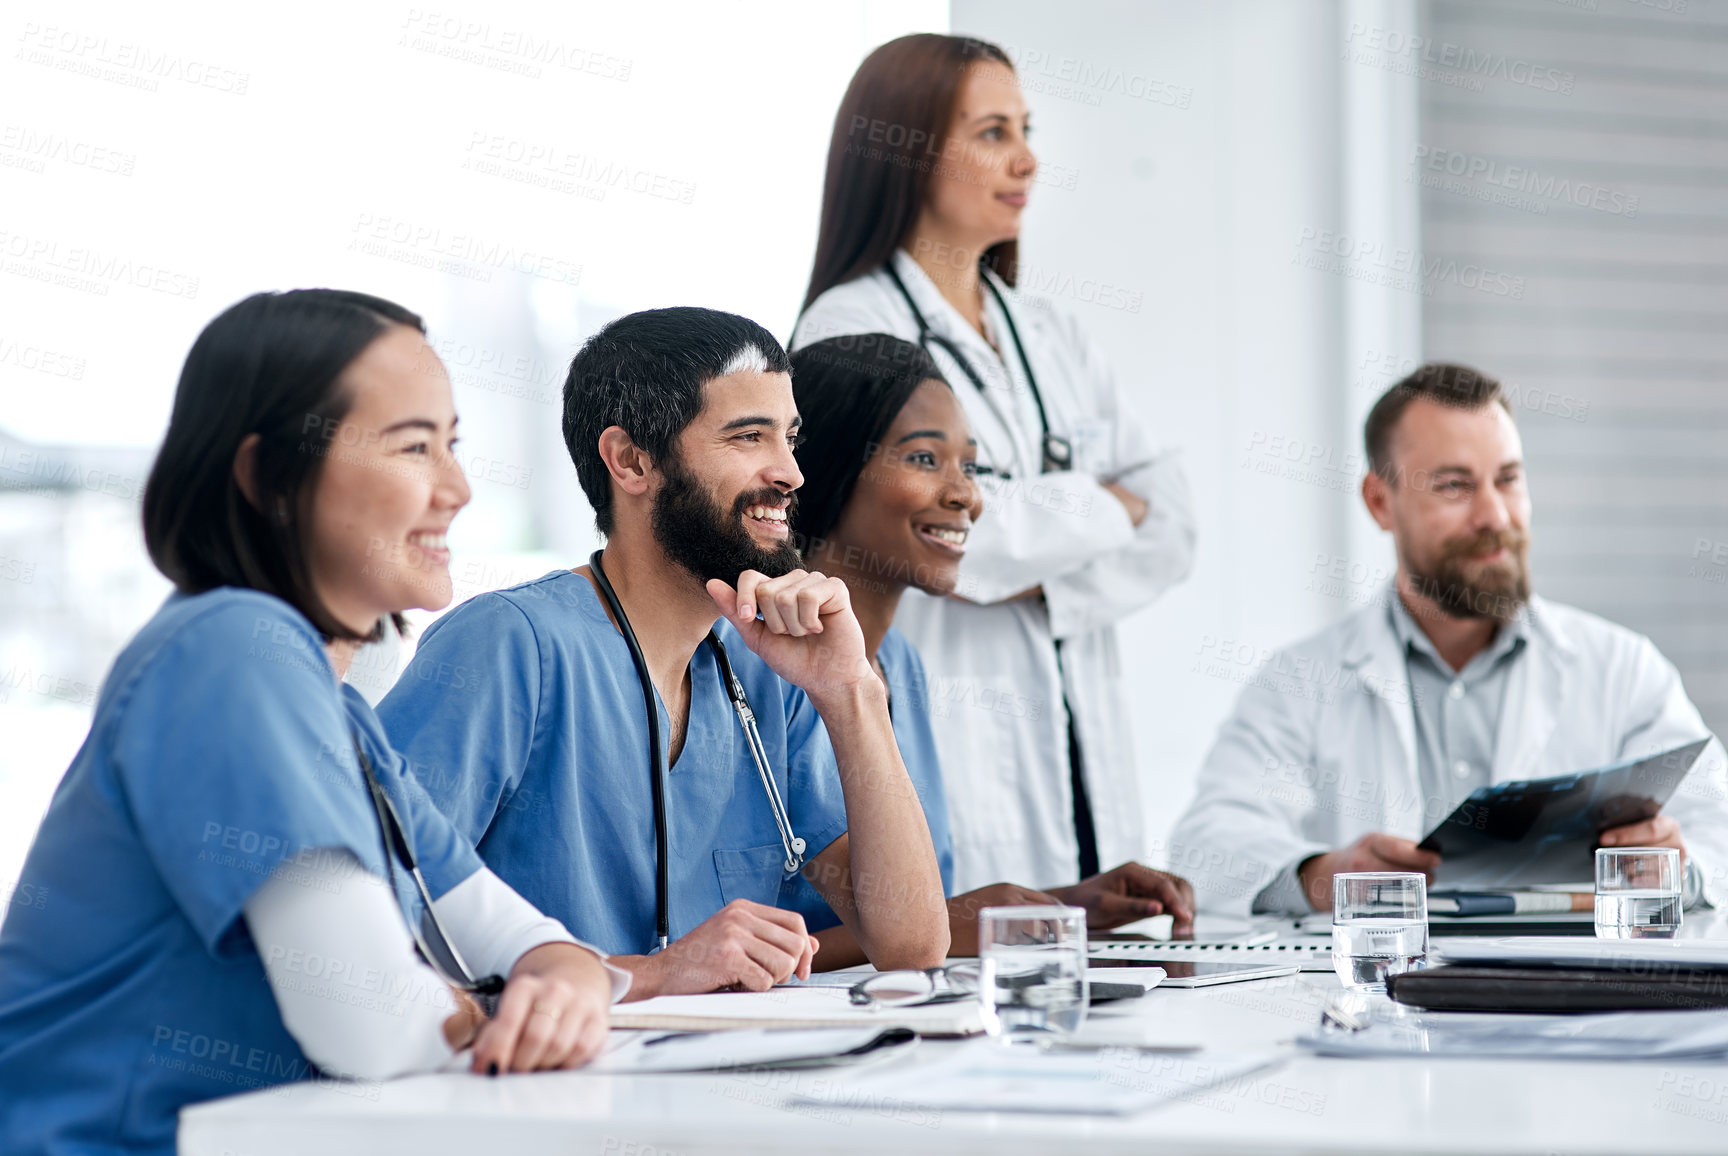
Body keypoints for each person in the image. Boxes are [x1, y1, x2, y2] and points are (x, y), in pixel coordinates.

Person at [0, 290, 625, 1156]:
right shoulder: (232, 648)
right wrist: (501, 1006)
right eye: (414, 446)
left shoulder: (340, 716)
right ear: (268, 478)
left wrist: (563, 984)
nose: (458, 487)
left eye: (453, 444)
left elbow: (533, 942)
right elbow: (369, 1023)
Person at [377, 307, 949, 997]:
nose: (793, 473)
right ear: (632, 461)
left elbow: (913, 944)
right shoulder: (508, 647)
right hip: (541, 1092)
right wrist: (661, 974)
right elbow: (373, 940)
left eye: (790, 439)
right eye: (748, 437)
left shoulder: (769, 672)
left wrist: (850, 690)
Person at [792, 34, 1196, 894]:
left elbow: (1174, 521)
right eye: (992, 132)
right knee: (968, 953)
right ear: (905, 152)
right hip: (955, 712)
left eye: (1026, 128)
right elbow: (957, 538)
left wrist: (1039, 563)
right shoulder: (849, 326)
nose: (1027, 159)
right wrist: (1101, 511)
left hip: (1085, 732)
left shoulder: (1050, 333)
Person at [1170, 363, 1728, 916]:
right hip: (1370, 994)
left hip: (1568, 999)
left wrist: (1679, 862)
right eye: (1455, 485)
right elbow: (1207, 844)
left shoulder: (1621, 669)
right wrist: (1321, 876)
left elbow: (1716, 827)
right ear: (1380, 502)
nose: (1495, 515)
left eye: (1508, 479)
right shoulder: (1299, 682)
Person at [786, 334, 1195, 962]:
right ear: (831, 468)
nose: (965, 496)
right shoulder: (766, 671)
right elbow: (736, 947)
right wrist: (953, 925)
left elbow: (913, 915)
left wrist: (1068, 903)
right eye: (925, 459)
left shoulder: (902, 668)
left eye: (971, 468)